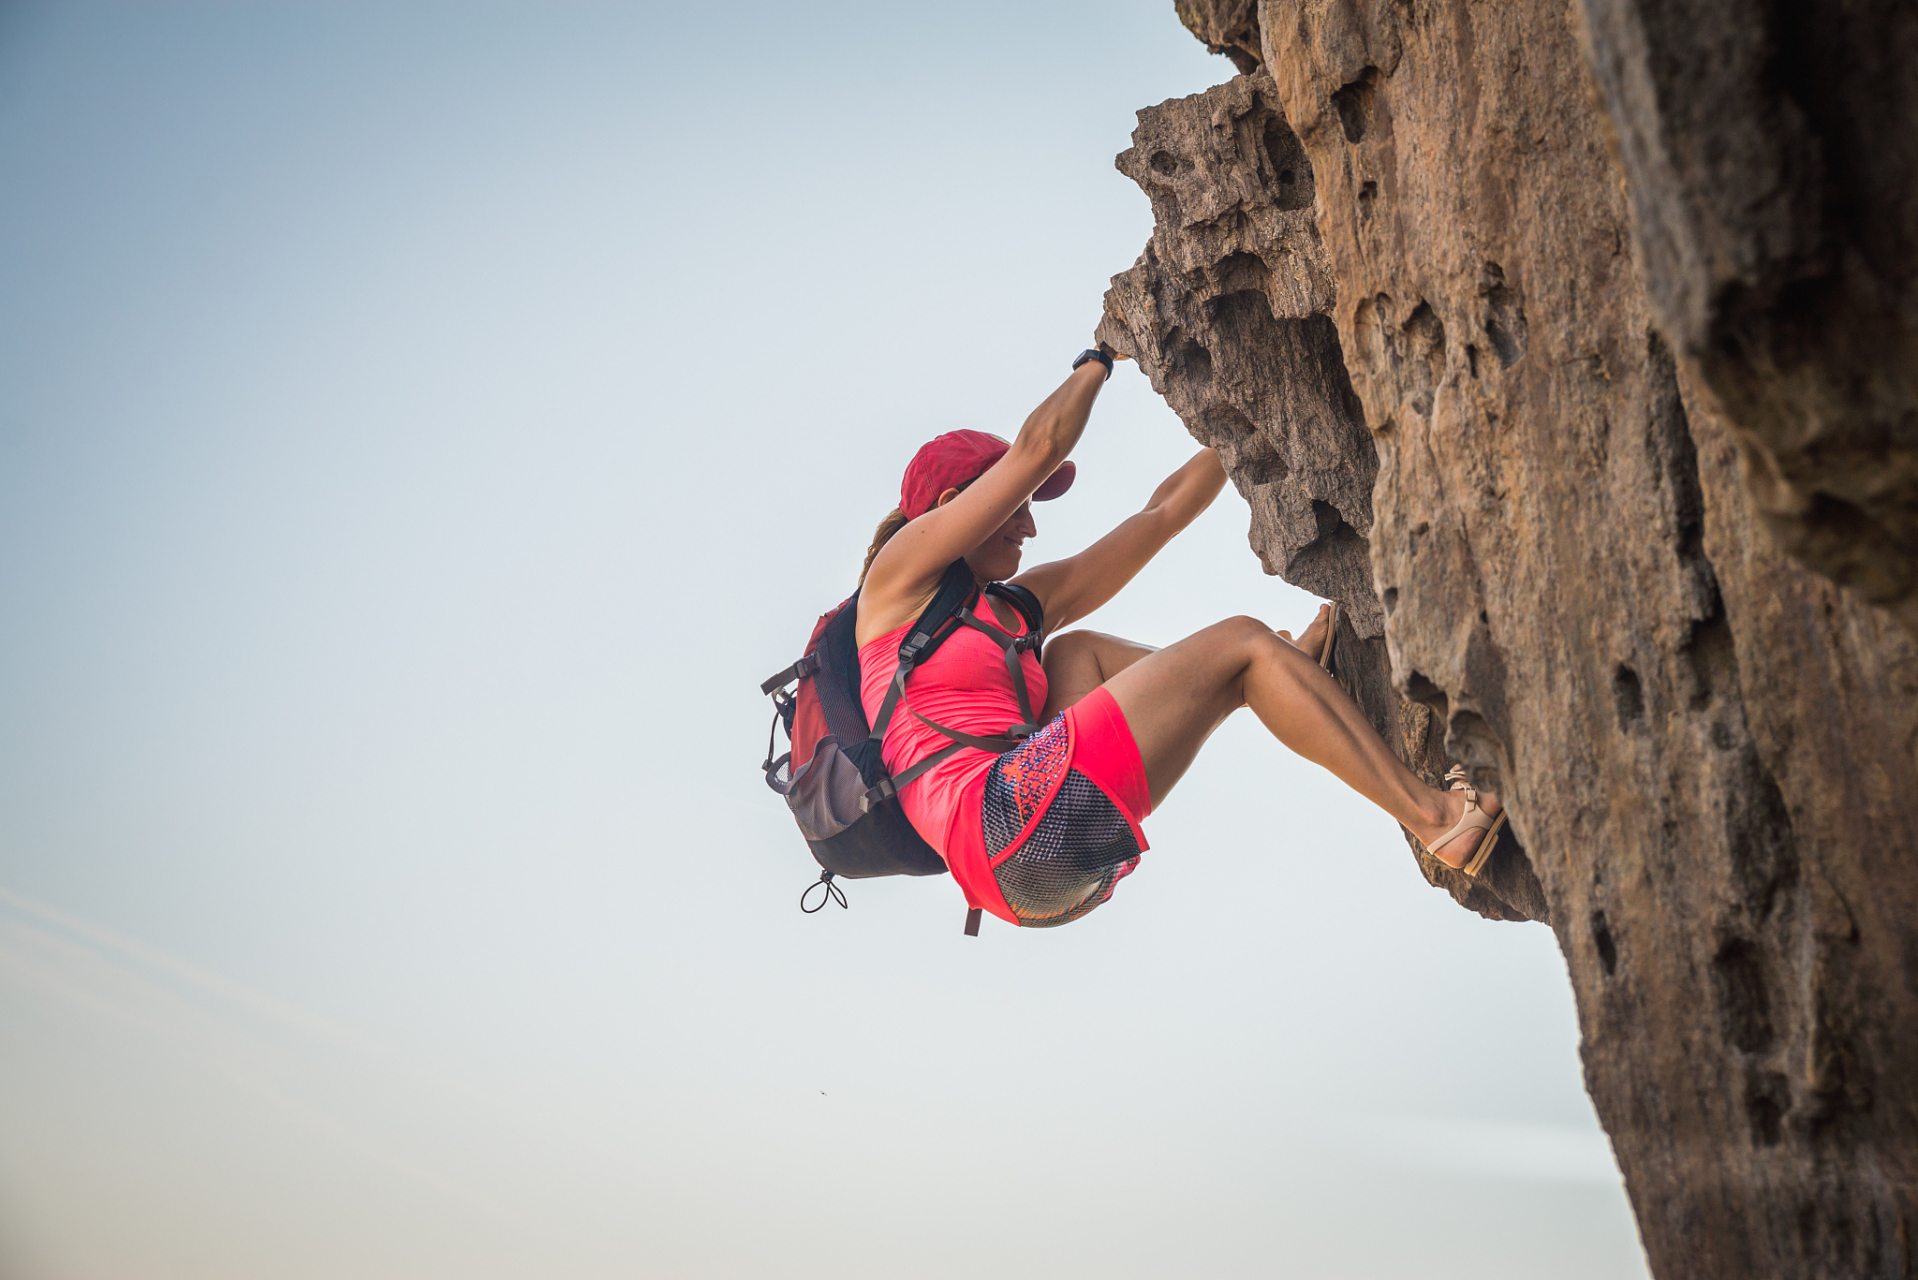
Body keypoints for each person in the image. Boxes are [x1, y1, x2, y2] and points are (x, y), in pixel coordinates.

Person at [854, 344, 1505, 928]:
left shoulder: (1021, 608)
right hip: (1006, 823)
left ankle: (1277, 673)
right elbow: (1038, 450)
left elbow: (1159, 517)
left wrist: (1244, 424)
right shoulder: (898, 583)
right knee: (1242, 641)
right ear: (948, 510)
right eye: (1013, 507)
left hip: (1023, 877)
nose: (1027, 526)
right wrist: (1100, 357)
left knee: (1074, 653)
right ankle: (1439, 820)